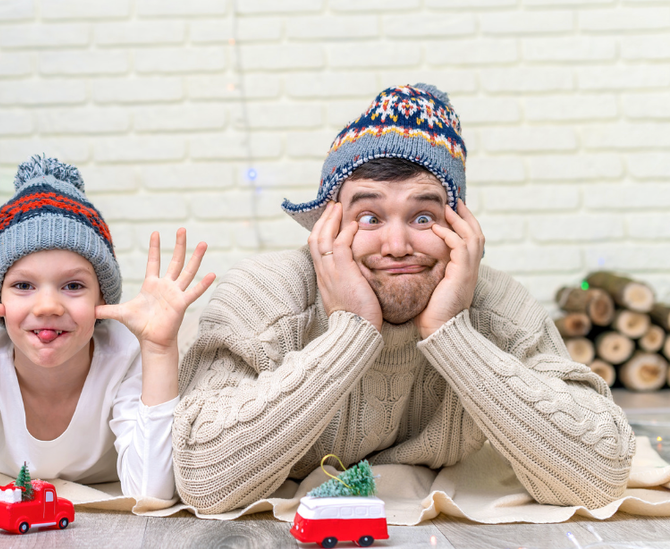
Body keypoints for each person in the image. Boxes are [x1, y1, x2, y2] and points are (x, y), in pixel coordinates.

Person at [172, 84, 635, 514]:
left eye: (423, 217)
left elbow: (601, 477)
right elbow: (203, 481)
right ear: (327, 229)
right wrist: (351, 332)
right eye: (370, 217)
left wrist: (451, 335)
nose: (396, 245)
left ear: (460, 229)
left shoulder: (500, 307)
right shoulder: (263, 296)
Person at [0, 155, 214, 514]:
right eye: (23, 285)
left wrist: (159, 351)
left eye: (72, 285)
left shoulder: (128, 353)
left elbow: (150, 492)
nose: (48, 306)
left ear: (102, 296)